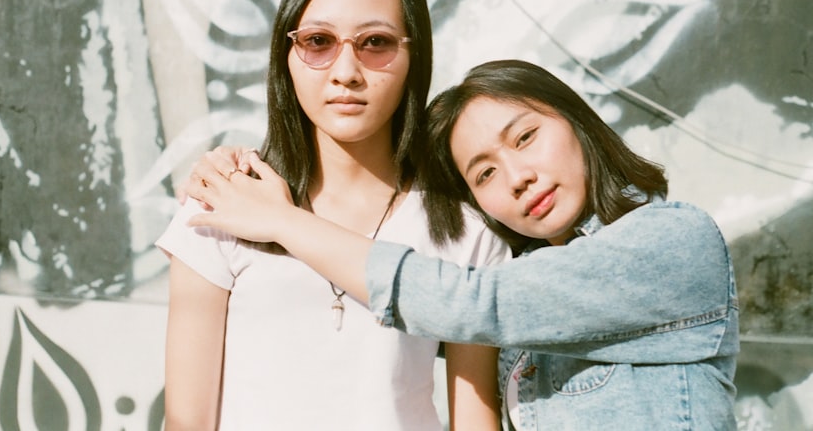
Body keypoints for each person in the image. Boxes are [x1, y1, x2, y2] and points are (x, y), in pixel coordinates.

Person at [185, 58, 740, 430]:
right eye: (484, 175)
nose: (517, 176)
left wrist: (283, 222)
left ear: (578, 122)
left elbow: (474, 303)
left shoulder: (672, 239)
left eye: (525, 137)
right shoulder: (520, 273)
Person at [157, 0, 510, 431]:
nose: (346, 73)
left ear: (414, 55)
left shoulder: (464, 230)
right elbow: (186, 422)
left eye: (375, 43)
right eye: (318, 42)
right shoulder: (222, 203)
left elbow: (474, 424)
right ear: (287, 55)